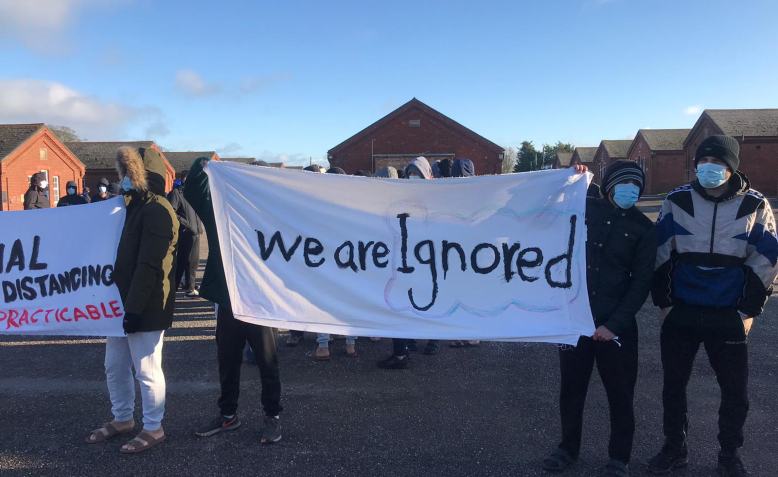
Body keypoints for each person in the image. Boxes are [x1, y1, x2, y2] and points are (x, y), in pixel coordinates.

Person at [648, 135, 778, 477]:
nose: (710, 168)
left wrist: (748, 311)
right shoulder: (676, 200)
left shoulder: (755, 204)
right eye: (704, 161)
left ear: (732, 166)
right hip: (682, 312)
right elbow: (660, 253)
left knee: (735, 392)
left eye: (718, 163)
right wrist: (664, 304)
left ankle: (729, 454)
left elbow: (766, 259)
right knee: (673, 388)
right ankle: (674, 449)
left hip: (729, 314)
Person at [542, 161, 655, 477]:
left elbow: (641, 283)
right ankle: (567, 449)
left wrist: (613, 325)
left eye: (636, 186)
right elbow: (546, 205)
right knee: (571, 391)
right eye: (623, 184)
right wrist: (572, 175)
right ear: (608, 187)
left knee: (620, 395)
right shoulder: (583, 210)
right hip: (576, 322)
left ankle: (619, 458)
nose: (630, 191)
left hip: (615, 327)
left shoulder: (644, 228)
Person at [85, 146, 178, 454]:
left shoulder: (158, 210)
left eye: (129, 174)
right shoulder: (126, 207)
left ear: (144, 176)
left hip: (147, 305)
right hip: (120, 305)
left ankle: (154, 427)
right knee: (114, 365)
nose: (123, 180)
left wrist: (134, 309)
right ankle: (122, 418)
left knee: (147, 369)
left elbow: (149, 265)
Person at [184, 156, 283, 444]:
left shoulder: (274, 217)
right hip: (229, 301)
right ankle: (228, 415)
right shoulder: (222, 214)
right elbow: (193, 191)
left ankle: (272, 416)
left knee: (268, 362)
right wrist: (204, 163)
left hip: (262, 303)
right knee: (227, 360)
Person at [378, 156, 440, 369]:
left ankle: (432, 340)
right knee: (400, 305)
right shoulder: (400, 199)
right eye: (410, 175)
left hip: (428, 262)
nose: (414, 179)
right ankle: (401, 351)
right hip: (404, 263)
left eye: (418, 175)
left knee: (430, 303)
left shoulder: (439, 197)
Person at [312, 166, 359, 361]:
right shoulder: (353, 207)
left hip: (329, 264)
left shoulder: (318, 207)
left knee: (324, 301)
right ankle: (350, 344)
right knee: (349, 302)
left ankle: (324, 345)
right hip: (348, 263)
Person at [448, 158, 482, 349]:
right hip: (453, 257)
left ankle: (471, 332)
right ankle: (459, 333)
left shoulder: (480, 196)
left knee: (471, 295)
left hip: (473, 258)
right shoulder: (445, 199)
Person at [168, 178, 202, 297]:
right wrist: (186, 223)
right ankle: (173, 288)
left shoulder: (193, 194)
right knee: (182, 261)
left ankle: (190, 286)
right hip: (185, 232)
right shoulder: (177, 193)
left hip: (195, 232)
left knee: (193, 261)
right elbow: (171, 212)